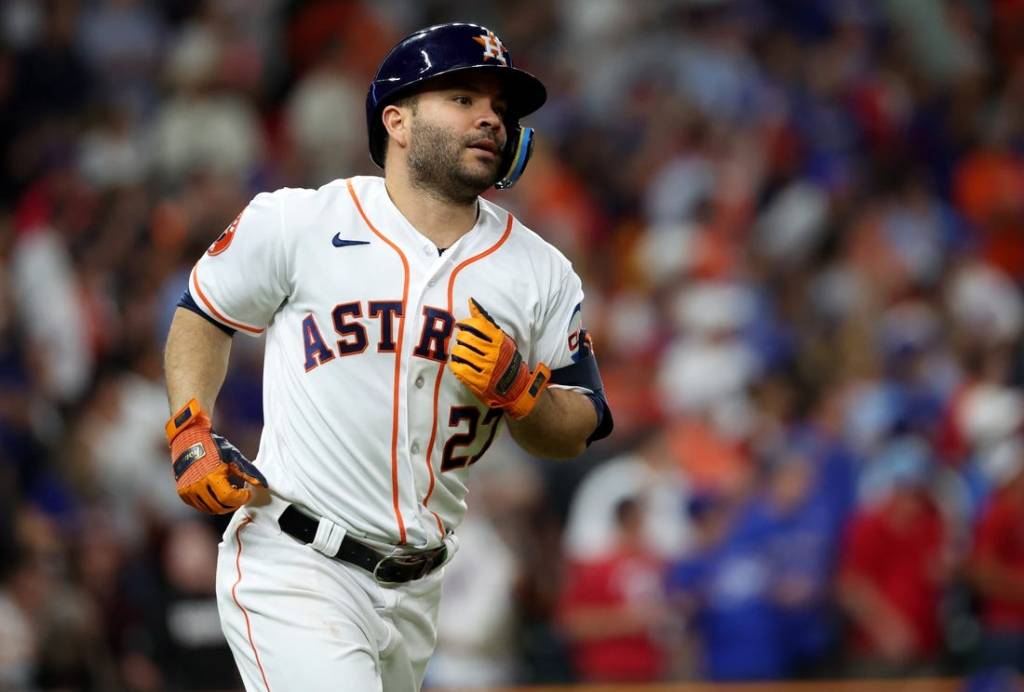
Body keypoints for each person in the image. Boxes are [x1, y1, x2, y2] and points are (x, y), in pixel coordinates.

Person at [161, 22, 613, 691]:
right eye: (463, 97)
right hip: (295, 562)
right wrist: (190, 429)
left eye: (500, 107)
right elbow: (204, 313)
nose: (490, 115)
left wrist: (523, 394)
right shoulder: (301, 221)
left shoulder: (541, 272)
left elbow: (578, 426)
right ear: (397, 121)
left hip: (419, 589)